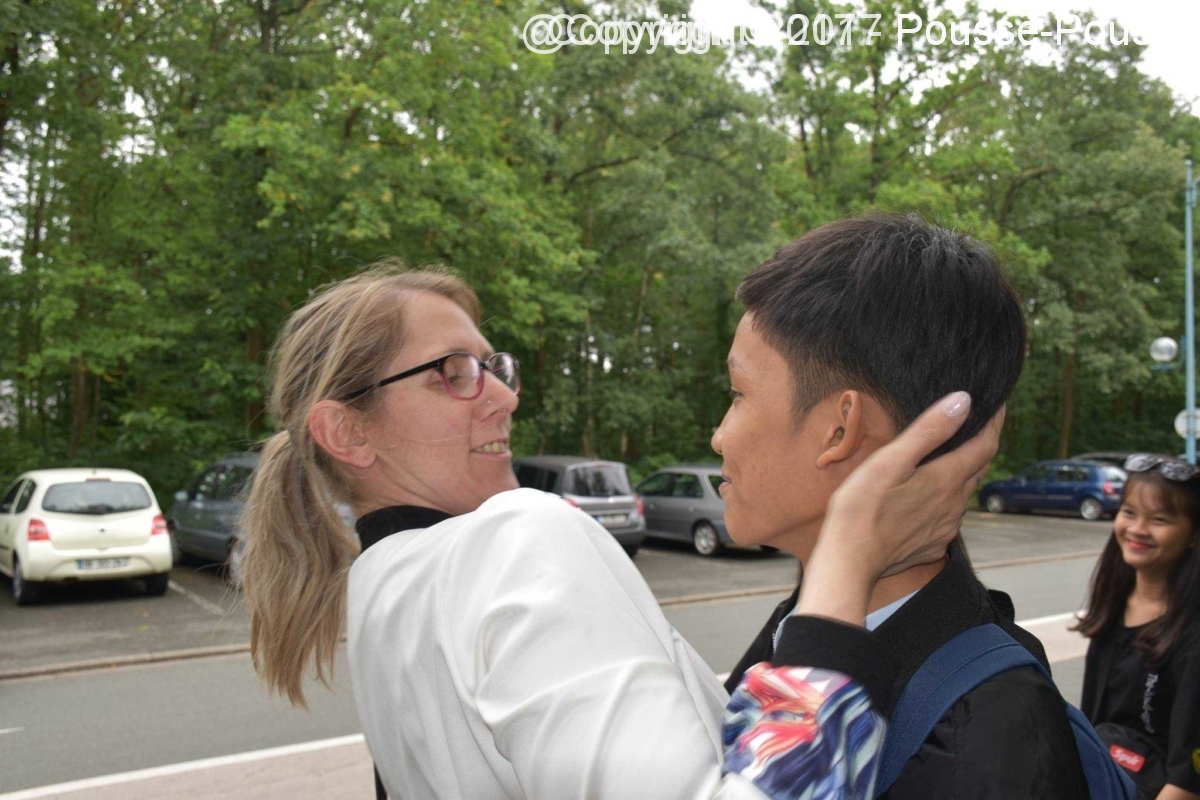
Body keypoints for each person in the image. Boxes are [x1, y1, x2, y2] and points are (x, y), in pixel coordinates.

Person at [237, 263, 998, 800]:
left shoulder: (378, 594)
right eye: (451, 372)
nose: (503, 396)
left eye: (492, 365)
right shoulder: (513, 539)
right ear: (346, 432)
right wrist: (845, 566)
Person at [717, 213, 1090, 799]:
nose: (719, 436)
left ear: (839, 430)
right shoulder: (813, 621)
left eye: (737, 394)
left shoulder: (979, 736)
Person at [1077, 454, 1200, 800]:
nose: (1137, 529)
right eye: (1129, 512)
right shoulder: (1113, 607)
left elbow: (1187, 783)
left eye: (1159, 519)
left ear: (1193, 534)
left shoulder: (1193, 635)